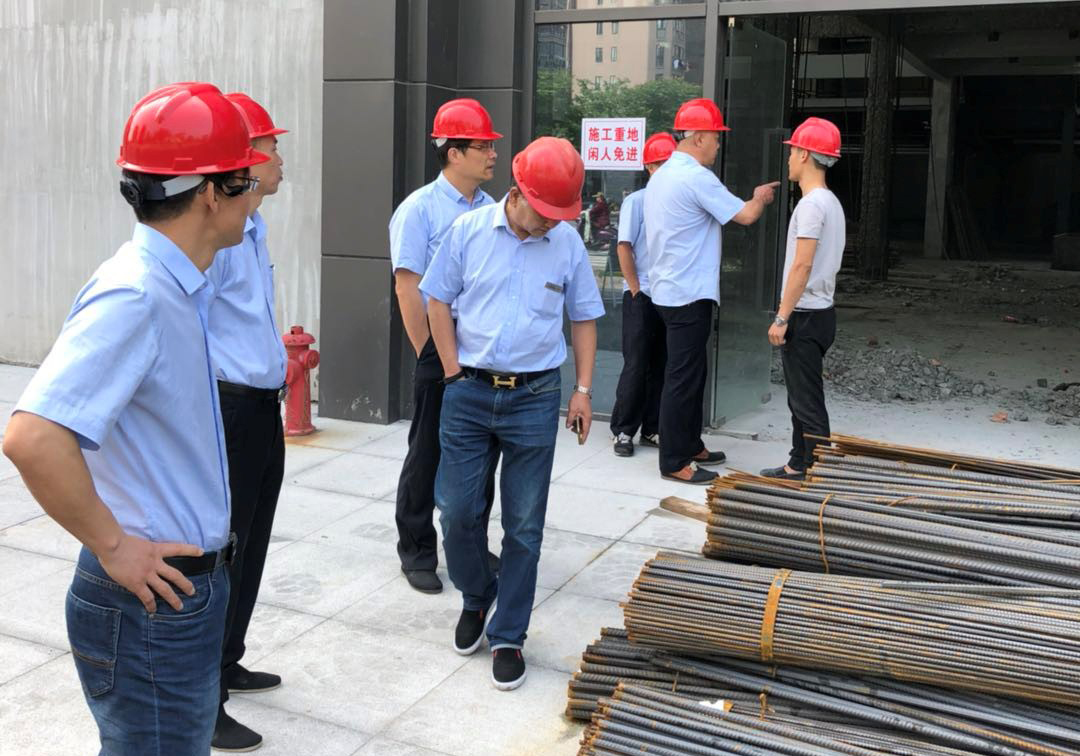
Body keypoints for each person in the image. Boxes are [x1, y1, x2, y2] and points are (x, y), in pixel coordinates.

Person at [2, 82, 267, 755]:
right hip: (151, 607)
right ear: (211, 194)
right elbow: (32, 436)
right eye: (246, 182)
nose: (256, 196)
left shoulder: (178, 284)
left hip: (177, 597)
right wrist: (115, 547)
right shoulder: (137, 295)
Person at [420, 137, 603, 691]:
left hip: (534, 396)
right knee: (456, 511)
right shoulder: (468, 232)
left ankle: (508, 635)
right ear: (518, 192)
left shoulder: (566, 244)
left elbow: (584, 317)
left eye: (560, 214)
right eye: (545, 211)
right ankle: (478, 595)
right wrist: (451, 371)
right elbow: (436, 299)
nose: (552, 222)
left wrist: (583, 391)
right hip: (469, 391)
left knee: (524, 525)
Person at [204, 91, 289, 752]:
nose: (281, 158)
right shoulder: (219, 241)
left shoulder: (253, 230)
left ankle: (228, 658)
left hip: (262, 409)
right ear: (245, 159)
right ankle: (205, 696)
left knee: (252, 543)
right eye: (271, 146)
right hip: (229, 410)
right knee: (221, 551)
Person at [389, 98, 503, 594]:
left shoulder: (492, 209)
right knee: (428, 450)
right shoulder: (420, 210)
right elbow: (407, 287)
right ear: (453, 152)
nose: (493, 154)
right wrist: (430, 354)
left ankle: (470, 543)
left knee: (480, 451)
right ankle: (416, 549)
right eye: (483, 146)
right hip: (440, 344)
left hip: (482, 346)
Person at [643, 97, 779, 485]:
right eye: (717, 138)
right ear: (699, 137)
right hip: (688, 294)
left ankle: (691, 443)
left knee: (690, 373)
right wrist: (760, 197)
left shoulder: (663, 174)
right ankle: (674, 459)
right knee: (683, 378)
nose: (719, 146)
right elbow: (746, 215)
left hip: (669, 291)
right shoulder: (695, 177)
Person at [761, 117, 845, 481]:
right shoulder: (831, 203)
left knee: (807, 402)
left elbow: (802, 264)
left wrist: (782, 317)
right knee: (801, 397)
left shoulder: (811, 206)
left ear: (806, 155)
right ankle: (798, 462)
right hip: (821, 313)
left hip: (805, 315)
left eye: (793, 150)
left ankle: (818, 471)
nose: (789, 158)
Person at [610, 133, 677, 457]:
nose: (665, 170)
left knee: (662, 364)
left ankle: (652, 428)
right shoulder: (636, 201)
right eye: (660, 164)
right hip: (642, 293)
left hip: (670, 294)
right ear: (649, 167)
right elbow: (624, 246)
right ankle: (623, 430)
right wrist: (635, 288)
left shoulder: (678, 202)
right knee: (636, 364)